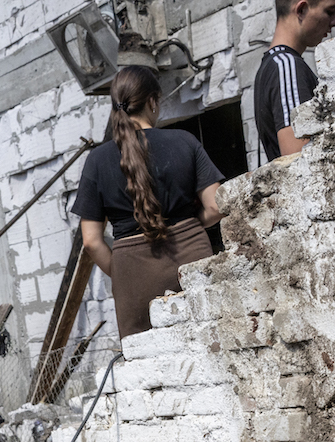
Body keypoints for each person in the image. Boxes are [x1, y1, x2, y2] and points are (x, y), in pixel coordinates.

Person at [72, 66, 224, 339]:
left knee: (148, 368)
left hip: (133, 277)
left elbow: (91, 241)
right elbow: (215, 207)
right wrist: (189, 225)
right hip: (192, 261)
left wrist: (121, 273)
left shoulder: (96, 161)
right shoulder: (185, 141)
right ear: (153, 101)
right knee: (211, 345)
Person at [253, 0, 335, 163]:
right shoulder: (286, 66)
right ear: (301, 10)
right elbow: (299, 161)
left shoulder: (276, 65)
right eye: (329, 12)